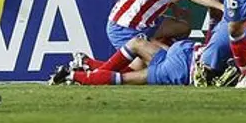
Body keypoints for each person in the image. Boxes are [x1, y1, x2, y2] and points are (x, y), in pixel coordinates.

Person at [51, 36, 200, 86]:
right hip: (182, 57)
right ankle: (76, 72)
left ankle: (80, 70)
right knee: (125, 75)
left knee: (130, 71)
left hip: (182, 61)